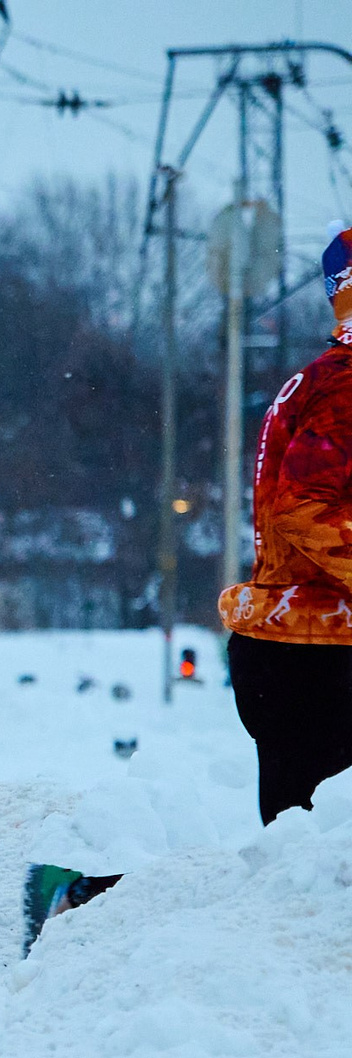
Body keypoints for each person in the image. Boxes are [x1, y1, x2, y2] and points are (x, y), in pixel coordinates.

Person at [222, 227, 352, 826]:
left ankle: (96, 900)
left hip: (294, 652)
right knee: (315, 880)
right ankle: (96, 901)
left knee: (298, 875)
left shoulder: (324, 377)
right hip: (320, 659)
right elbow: (301, 503)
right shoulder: (346, 384)